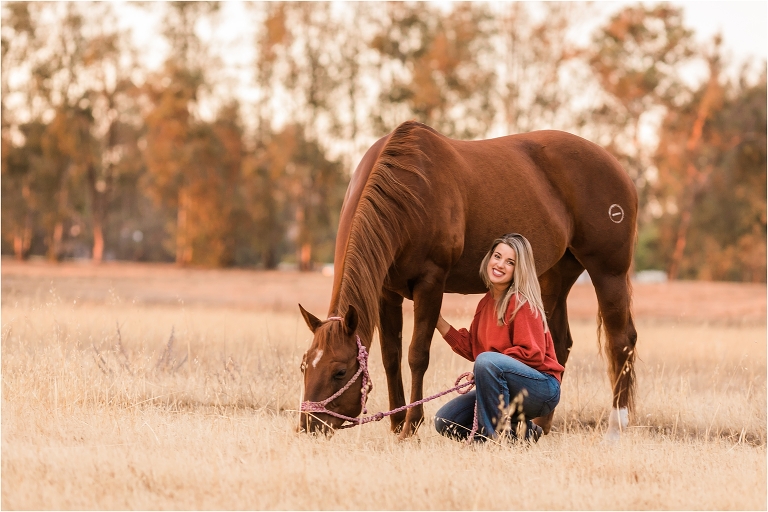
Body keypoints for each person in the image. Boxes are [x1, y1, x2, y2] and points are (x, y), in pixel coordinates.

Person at [434, 233, 564, 443]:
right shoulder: (485, 303)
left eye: (510, 262)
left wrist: (488, 368)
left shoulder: (521, 302)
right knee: (446, 419)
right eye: (497, 256)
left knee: (486, 362)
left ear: (518, 270)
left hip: (541, 389)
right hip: (505, 385)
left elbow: (533, 354)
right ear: (489, 259)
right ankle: (522, 434)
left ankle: (495, 441)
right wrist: (437, 321)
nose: (500, 264)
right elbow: (472, 347)